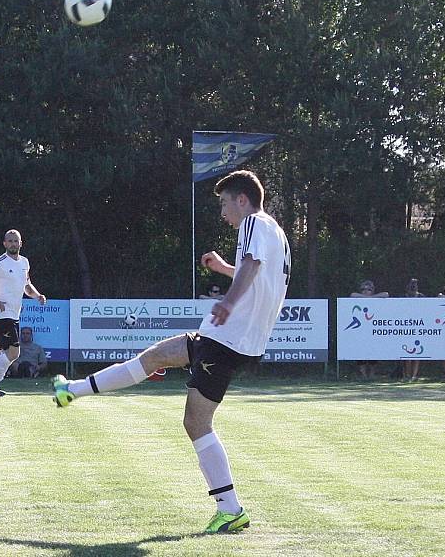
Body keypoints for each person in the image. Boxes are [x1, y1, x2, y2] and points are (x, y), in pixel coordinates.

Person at [52, 170, 290, 534]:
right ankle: (72, 390)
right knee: (156, 357)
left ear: (242, 200)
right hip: (231, 337)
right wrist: (224, 268)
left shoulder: (254, 223)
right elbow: (255, 274)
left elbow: (254, 268)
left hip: (229, 339)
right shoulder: (273, 230)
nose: (223, 213)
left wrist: (227, 303)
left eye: (225, 204)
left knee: (196, 422)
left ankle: (230, 509)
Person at [0, 230, 46, 401]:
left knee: (10, 354)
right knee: (13, 353)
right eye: (10, 241)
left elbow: (27, 286)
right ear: (4, 243)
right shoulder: (0, 263)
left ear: (21, 243)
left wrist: (38, 295)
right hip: (1, 314)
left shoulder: (24, 262)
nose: (13, 244)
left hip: (14, 314)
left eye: (16, 241)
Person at [349, 280, 388, 380]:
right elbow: (352, 295)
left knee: (373, 352)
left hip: (374, 330)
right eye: (363, 289)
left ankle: (371, 374)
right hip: (359, 330)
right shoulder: (357, 298)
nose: (366, 291)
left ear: (373, 290)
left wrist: (370, 298)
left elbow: (386, 294)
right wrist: (367, 298)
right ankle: (362, 374)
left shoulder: (377, 298)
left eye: (369, 289)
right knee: (360, 352)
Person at [403, 277, 424, 382]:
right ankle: (407, 375)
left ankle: (414, 375)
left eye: (415, 284)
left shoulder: (421, 297)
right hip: (405, 328)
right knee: (407, 354)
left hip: (419, 327)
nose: (414, 286)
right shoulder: (404, 297)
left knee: (417, 353)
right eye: (412, 284)